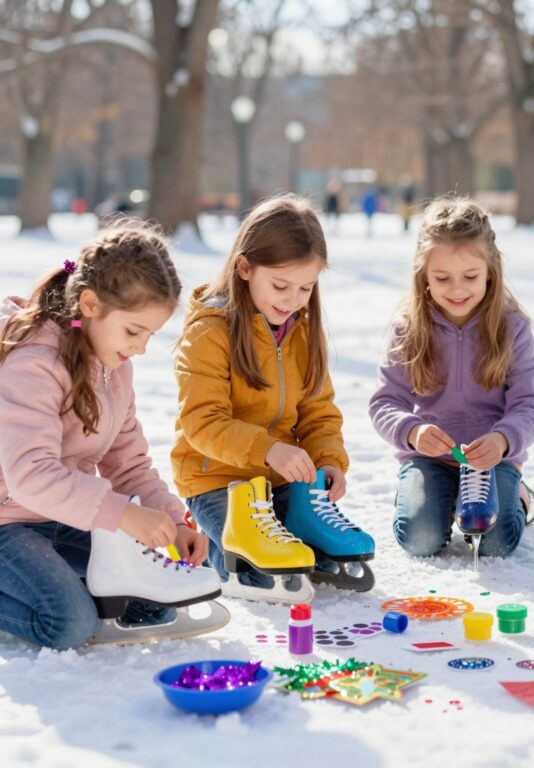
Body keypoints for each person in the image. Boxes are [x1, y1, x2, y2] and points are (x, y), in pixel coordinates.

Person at [0, 223, 209, 648]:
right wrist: (124, 516)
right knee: (70, 622)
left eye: (149, 335)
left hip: (65, 516)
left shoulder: (114, 368)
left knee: (152, 604)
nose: (141, 348)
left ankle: (58, 581)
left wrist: (171, 520)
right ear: (90, 304)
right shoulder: (34, 364)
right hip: (8, 523)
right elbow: (32, 476)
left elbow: (128, 465)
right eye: (133, 331)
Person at [173, 194, 374, 600]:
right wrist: (268, 449)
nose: (293, 300)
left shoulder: (302, 332)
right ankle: (219, 544)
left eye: (306, 288)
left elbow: (319, 413)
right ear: (244, 267)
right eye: (280, 286)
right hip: (217, 481)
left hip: (280, 481)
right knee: (262, 575)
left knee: (303, 552)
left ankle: (289, 528)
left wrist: (328, 461)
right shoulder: (209, 333)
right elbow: (202, 423)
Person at [369, 197, 534, 558]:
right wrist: (412, 431)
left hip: (492, 459)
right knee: (419, 539)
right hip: (430, 458)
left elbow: (531, 403)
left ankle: (517, 493)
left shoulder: (511, 327)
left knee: (495, 544)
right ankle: (422, 494)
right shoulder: (409, 328)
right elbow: (386, 402)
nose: (456, 289)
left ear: (490, 272)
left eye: (470, 277)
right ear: (424, 276)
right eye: (442, 278)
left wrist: (502, 440)